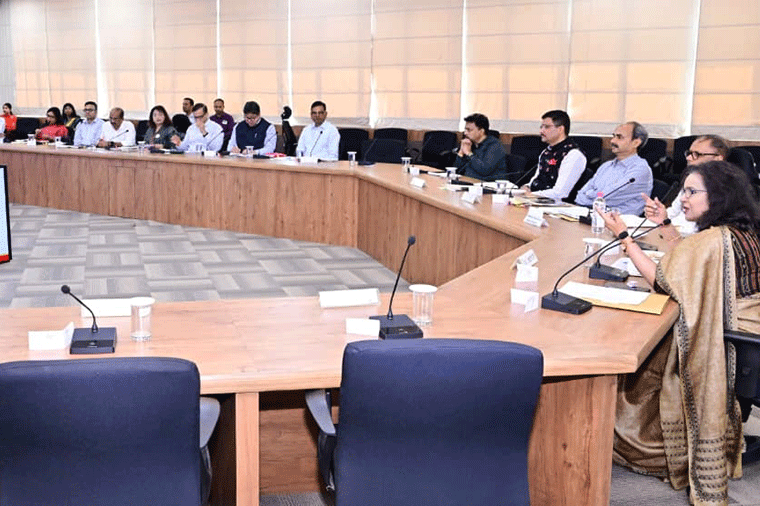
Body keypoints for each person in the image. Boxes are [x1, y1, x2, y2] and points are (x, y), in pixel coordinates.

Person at [599, 161, 760, 506]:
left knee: (644, 353)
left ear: (718, 196)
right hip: (749, 334)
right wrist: (665, 224)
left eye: (692, 192)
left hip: (734, 345)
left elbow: (663, 281)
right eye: (683, 190)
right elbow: (688, 264)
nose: (683, 198)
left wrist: (624, 237)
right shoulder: (740, 233)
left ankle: (646, 444)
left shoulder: (712, 241)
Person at [643, 135, 729, 236]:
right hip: (672, 233)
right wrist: (658, 213)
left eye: (696, 154)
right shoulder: (692, 179)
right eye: (689, 153)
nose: (688, 158)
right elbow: (673, 212)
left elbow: (701, 229)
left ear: (718, 158)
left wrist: (667, 226)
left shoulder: (723, 188)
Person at [574, 122, 653, 215]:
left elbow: (605, 198)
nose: (612, 141)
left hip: (620, 220)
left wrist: (591, 195)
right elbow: (580, 196)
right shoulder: (606, 166)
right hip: (593, 214)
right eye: (613, 136)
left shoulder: (640, 170)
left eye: (619, 137)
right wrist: (595, 196)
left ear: (636, 143)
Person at [524, 110, 587, 201]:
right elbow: (537, 179)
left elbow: (561, 193)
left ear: (560, 129)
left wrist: (531, 195)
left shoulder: (573, 155)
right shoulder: (546, 152)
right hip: (537, 200)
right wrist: (527, 187)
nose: (541, 131)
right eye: (541, 127)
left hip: (558, 205)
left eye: (547, 127)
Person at [453, 113, 507, 181]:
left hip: (488, 184)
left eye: (469, 130)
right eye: (465, 130)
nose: (465, 133)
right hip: (469, 182)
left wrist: (469, 154)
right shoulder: (471, 144)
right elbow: (456, 171)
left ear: (481, 131)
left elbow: (485, 170)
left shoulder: (494, 146)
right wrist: (461, 152)